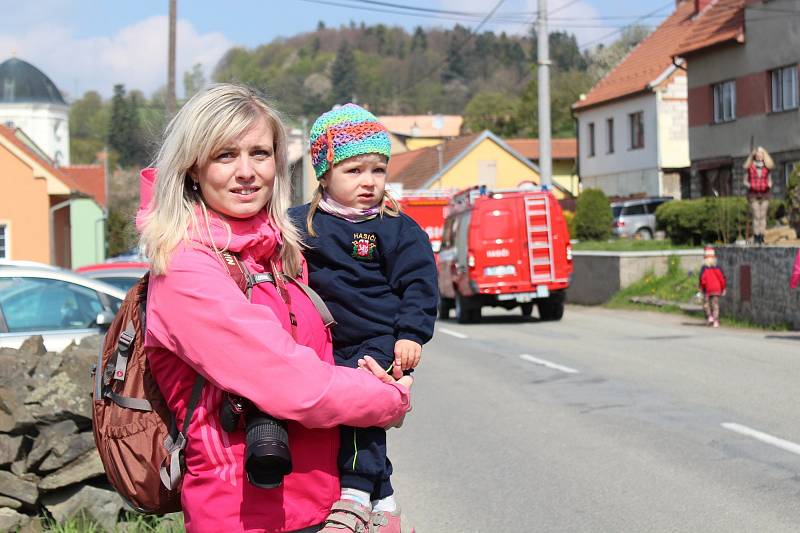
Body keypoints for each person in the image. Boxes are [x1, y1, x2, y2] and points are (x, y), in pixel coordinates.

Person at [137, 84, 412, 533]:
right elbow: (288, 382)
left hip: (326, 507)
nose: (246, 171)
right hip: (243, 515)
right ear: (192, 169)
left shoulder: (282, 252)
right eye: (225, 155)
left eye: (260, 153)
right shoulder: (186, 266)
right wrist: (386, 397)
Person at [289, 104, 438, 533]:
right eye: (354, 171)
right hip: (328, 343)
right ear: (324, 175)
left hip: (380, 339)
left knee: (359, 407)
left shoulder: (396, 228)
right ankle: (386, 506)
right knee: (339, 417)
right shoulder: (303, 225)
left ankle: (353, 497)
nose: (369, 182)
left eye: (378, 170)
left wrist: (411, 335)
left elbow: (419, 285)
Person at [743, 146, 774, 245]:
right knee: (757, 215)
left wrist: (770, 184)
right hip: (753, 194)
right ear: (755, 156)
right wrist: (749, 185)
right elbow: (745, 180)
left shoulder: (766, 167)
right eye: (758, 155)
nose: (759, 156)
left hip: (765, 193)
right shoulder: (750, 167)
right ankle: (756, 236)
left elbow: (769, 179)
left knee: (763, 215)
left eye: (761, 155)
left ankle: (761, 236)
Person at [699, 246, 726, 328]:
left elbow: (702, 280)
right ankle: (716, 321)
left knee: (706, 303)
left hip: (707, 289)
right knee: (715, 305)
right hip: (717, 289)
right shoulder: (718, 268)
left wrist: (702, 288)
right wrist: (723, 288)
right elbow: (722, 279)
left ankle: (709, 316)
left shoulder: (704, 269)